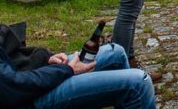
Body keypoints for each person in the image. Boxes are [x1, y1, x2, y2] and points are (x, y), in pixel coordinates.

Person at [0, 38, 155, 109]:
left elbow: (10, 54)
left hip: (26, 74)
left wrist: (46, 59)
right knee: (139, 83)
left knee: (116, 52)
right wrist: (66, 70)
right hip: (26, 99)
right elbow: (12, 87)